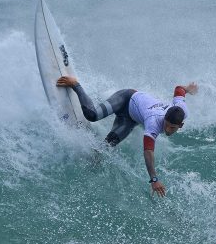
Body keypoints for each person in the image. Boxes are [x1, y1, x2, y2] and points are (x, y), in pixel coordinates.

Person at [56, 76, 198, 197]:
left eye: (172, 127)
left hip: (130, 119)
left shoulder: (182, 110)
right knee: (92, 115)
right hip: (126, 98)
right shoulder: (153, 122)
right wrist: (154, 180)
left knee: (103, 149)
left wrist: (187, 88)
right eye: (166, 124)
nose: (167, 129)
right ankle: (75, 84)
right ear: (164, 118)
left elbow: (179, 89)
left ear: (180, 125)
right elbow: (148, 151)